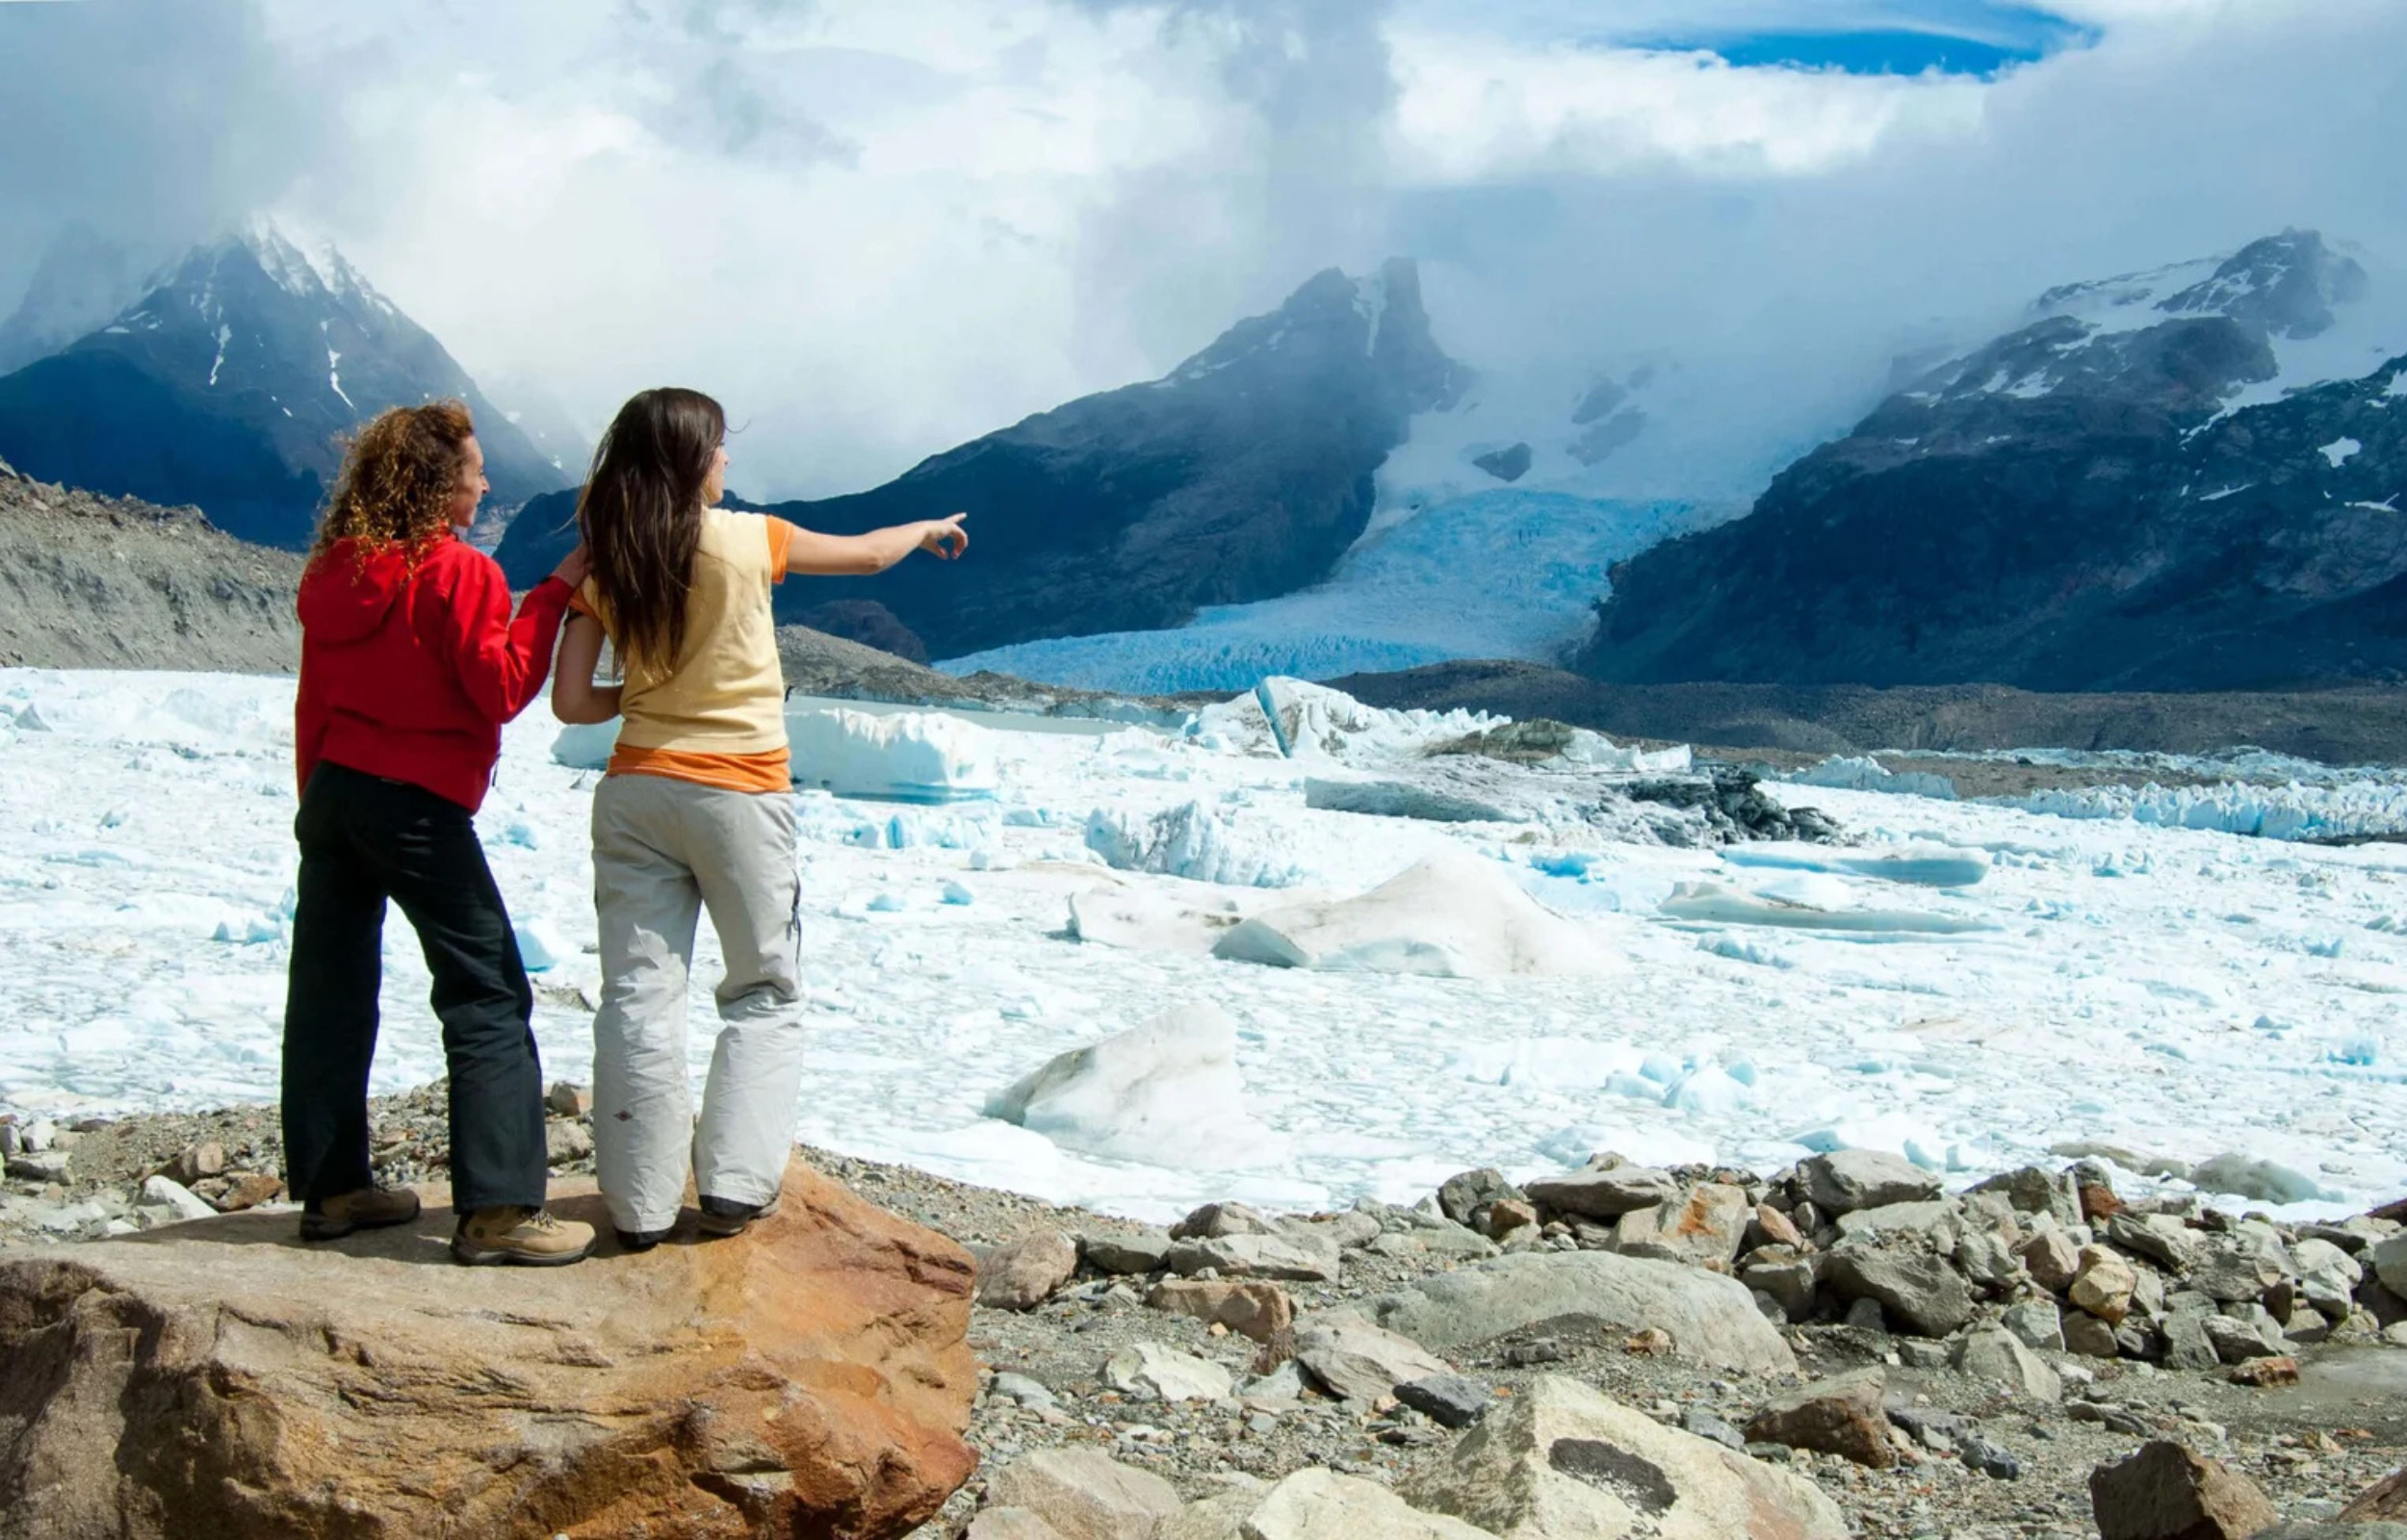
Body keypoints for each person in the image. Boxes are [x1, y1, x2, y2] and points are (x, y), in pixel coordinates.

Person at [550, 387, 966, 1250]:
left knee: (638, 995)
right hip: (740, 792)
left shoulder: (607, 560)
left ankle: (638, 1206)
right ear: (690, 459)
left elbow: (572, 703)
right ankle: (734, 1189)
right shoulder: (746, 538)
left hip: (636, 792)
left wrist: (651, 694)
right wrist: (924, 528)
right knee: (763, 989)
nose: (727, 460)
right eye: (717, 447)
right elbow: (866, 557)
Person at [285, 399, 596, 1267]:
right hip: (415, 803)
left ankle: (334, 1190)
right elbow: (501, 687)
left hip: (336, 791)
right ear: (436, 482)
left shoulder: (336, 572)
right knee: (485, 989)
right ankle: (498, 1212)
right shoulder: (460, 572)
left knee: (330, 991)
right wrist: (555, 594)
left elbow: (313, 699)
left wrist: (318, 811)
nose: (485, 484)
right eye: (475, 471)